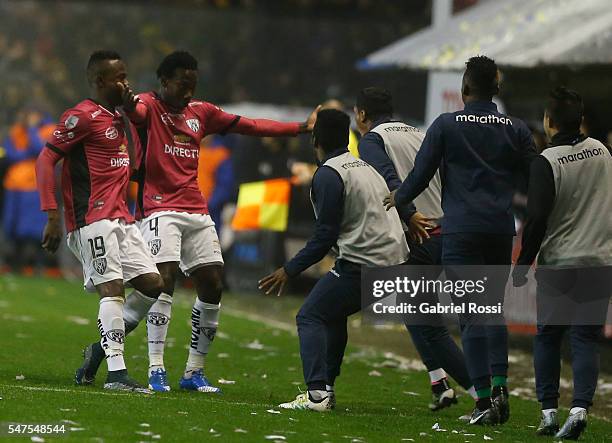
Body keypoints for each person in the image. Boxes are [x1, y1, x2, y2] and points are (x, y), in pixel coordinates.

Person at [76, 50, 319, 393]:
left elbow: (248, 125)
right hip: (158, 208)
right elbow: (136, 110)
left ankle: (192, 371)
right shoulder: (148, 105)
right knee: (164, 281)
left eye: (193, 85)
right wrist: (129, 104)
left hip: (195, 208)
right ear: (164, 82)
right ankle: (156, 369)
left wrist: (300, 129)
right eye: (182, 85)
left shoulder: (201, 113)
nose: (188, 92)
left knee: (213, 283)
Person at [385, 55, 536, 425]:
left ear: (464, 89)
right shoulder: (515, 128)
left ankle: (483, 400)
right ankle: (501, 388)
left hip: (462, 231)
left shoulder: (446, 125)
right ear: (496, 89)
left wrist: (399, 199)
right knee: (492, 310)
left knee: (470, 316)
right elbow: (537, 175)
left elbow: (420, 176)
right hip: (501, 229)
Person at [259, 109, 408, 411]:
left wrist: (289, 270)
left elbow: (324, 236)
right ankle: (326, 387)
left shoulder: (329, 174)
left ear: (315, 139)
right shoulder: (365, 167)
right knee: (332, 313)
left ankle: (316, 395)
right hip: (395, 263)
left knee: (309, 316)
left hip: (366, 266)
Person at [35, 50, 164, 392]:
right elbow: (45, 161)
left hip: (122, 219)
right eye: (119, 77)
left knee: (153, 284)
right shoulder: (82, 116)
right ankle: (118, 375)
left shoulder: (121, 118)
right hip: (91, 219)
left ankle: (98, 353)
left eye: (126, 74)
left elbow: (134, 167)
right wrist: (51, 215)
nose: (126, 82)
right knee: (113, 288)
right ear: (100, 81)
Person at [355, 87, 475, 411]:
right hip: (446, 230)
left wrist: (409, 215)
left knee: (431, 326)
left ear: (362, 114)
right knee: (413, 310)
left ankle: (484, 397)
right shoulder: (420, 133)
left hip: (419, 234)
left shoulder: (372, 140)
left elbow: (387, 180)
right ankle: (439, 383)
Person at [513, 87, 612, 440]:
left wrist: (523, 263)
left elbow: (537, 218)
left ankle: (549, 413)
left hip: (559, 263)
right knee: (586, 338)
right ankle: (581, 408)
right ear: (580, 119)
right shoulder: (602, 151)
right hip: (600, 262)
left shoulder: (547, 161)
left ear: (549, 121)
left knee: (549, 337)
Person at [3, 108, 54, 272]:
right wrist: (27, 154)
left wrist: (32, 130)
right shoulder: (17, 131)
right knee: (13, 227)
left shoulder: (48, 130)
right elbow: (9, 153)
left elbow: (41, 150)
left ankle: (39, 265)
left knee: (36, 228)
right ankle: (15, 264)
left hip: (35, 186)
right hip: (14, 186)